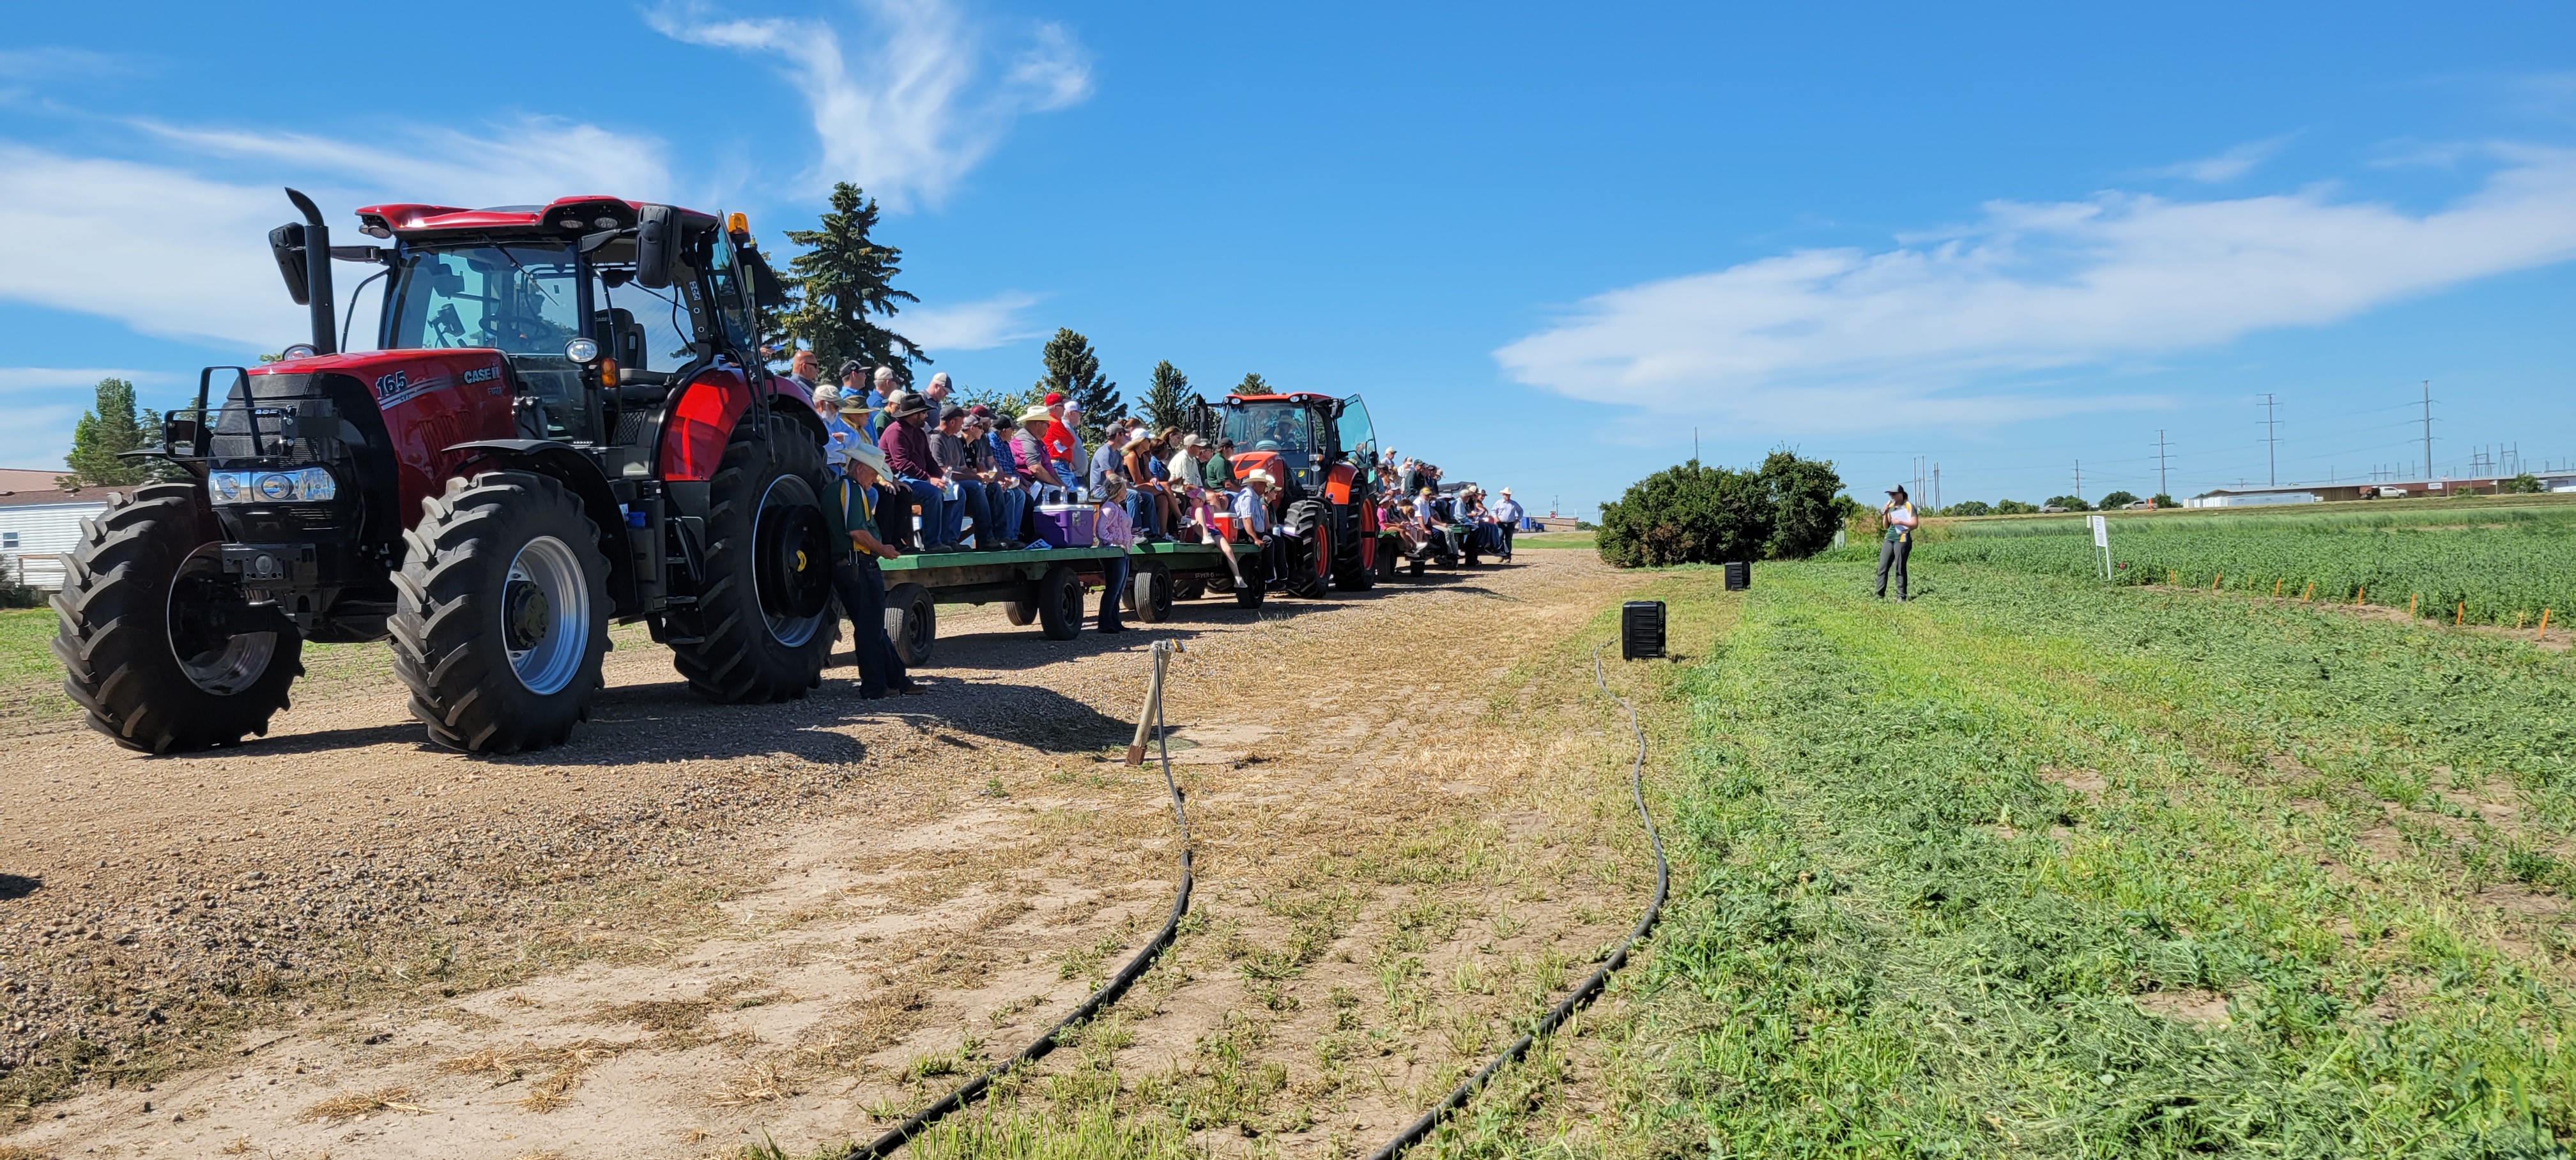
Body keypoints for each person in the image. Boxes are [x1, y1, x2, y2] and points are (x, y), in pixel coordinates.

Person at [825, 440, 920, 698]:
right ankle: (875, 686)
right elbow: (856, 531)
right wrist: (882, 549)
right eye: (873, 472)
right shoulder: (852, 489)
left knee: (873, 626)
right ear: (859, 469)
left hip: (846, 563)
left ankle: (897, 681)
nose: (875, 478)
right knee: (871, 628)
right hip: (858, 563)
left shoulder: (838, 488)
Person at [878, 392, 960, 552]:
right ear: (914, 415)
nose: (926, 416)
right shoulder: (896, 431)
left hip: (917, 478)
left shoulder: (919, 433)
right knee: (933, 493)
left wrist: (942, 478)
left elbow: (929, 460)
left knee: (956, 492)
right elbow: (902, 464)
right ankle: (932, 543)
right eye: (924, 413)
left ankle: (948, 539)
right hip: (896, 478)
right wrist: (929, 480)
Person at [930, 404, 1008, 550]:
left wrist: (980, 477)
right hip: (941, 482)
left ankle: (1000, 536)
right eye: (961, 421)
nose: (962, 425)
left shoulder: (953, 439)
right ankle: (980, 538)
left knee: (993, 487)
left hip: (957, 481)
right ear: (953, 422)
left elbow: (964, 468)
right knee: (974, 487)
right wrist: (976, 479)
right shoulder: (936, 439)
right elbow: (943, 471)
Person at [1092, 477, 1135, 633]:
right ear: (1118, 491)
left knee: (1119, 588)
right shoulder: (1109, 508)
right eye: (1124, 488)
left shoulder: (1118, 508)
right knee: (1113, 587)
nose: (1126, 491)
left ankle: (1115, 620)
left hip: (1123, 551)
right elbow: (1101, 530)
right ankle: (1105, 622)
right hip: (1113, 552)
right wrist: (1115, 542)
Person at [1877, 485, 1919, 600]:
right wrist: (1885, 513)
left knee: (1900, 567)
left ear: (1900, 494)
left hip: (1902, 538)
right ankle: (1879, 595)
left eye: (1894, 494)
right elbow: (1886, 526)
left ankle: (1901, 596)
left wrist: (1900, 521)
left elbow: (1915, 524)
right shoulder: (1890, 506)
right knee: (1883, 567)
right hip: (1889, 538)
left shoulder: (1909, 506)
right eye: (1890, 494)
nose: (1892, 496)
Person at [1489, 487, 1524, 560]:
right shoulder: (1499, 503)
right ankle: (1502, 555)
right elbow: (1493, 511)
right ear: (1503, 495)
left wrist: (1518, 520)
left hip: (1510, 524)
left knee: (1508, 540)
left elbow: (1521, 511)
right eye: (1506, 495)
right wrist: (1496, 518)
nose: (1507, 496)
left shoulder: (1514, 504)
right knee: (1500, 538)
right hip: (1500, 523)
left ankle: (1508, 556)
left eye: (1508, 495)